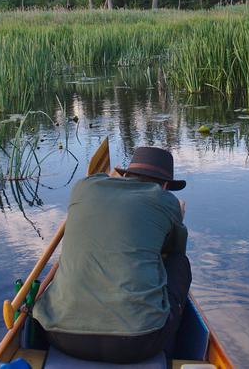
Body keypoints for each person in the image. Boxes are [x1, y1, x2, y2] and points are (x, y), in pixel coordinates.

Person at [32, 146, 191, 363]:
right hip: (139, 342)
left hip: (58, 334)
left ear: (126, 174)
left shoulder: (82, 188)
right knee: (180, 264)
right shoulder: (166, 201)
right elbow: (174, 252)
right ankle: (174, 345)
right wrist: (177, 217)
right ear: (165, 185)